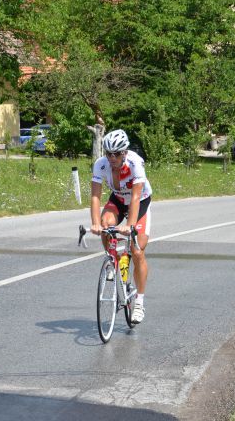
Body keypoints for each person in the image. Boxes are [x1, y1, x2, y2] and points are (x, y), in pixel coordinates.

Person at [91, 129, 152, 324]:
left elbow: (135, 196)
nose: (112, 158)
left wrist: (130, 225)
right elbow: (95, 196)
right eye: (109, 153)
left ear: (124, 152)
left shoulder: (135, 163)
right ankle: (112, 259)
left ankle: (139, 302)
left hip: (139, 202)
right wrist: (95, 223)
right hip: (117, 200)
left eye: (116, 154)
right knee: (105, 224)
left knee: (137, 251)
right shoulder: (101, 165)